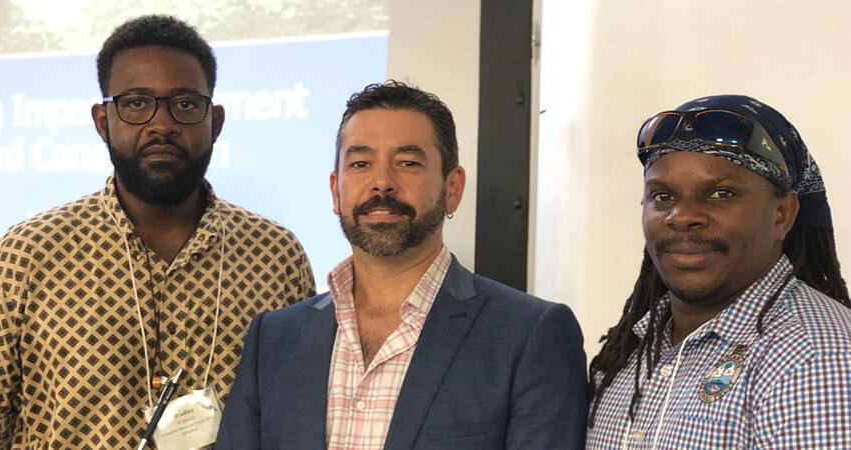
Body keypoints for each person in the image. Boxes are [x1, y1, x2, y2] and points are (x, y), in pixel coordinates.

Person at [0, 15, 317, 449]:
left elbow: (298, 416)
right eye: (136, 103)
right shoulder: (27, 255)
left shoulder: (275, 256)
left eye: (184, 104)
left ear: (214, 122)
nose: (161, 124)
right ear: (103, 121)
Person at [216, 80, 588, 449]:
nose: (382, 183)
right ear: (336, 190)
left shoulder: (530, 336)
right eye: (361, 163)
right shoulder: (275, 338)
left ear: (452, 189)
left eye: (408, 163)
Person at [586, 95, 851, 449]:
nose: (680, 216)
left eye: (720, 193)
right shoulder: (630, 353)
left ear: (782, 214)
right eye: (662, 197)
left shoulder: (817, 359)